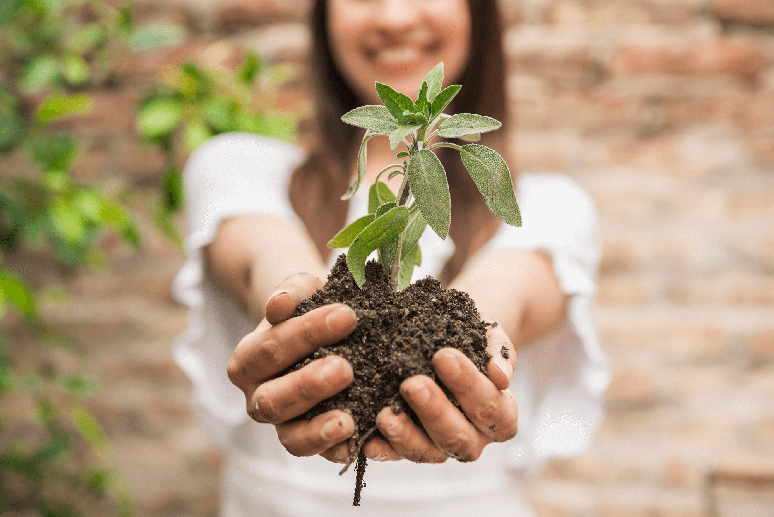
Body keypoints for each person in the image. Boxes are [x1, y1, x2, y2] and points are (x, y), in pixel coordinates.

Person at [172, 0, 611, 515]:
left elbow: (502, 294)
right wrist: (300, 313)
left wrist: (468, 344)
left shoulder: (550, 206)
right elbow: (264, 259)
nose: (395, 16)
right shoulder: (240, 167)